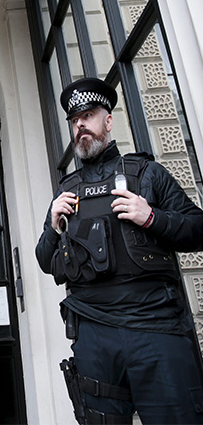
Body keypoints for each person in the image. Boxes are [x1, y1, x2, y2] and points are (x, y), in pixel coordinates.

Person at [35, 78, 203, 424]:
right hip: (93, 334)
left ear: (107, 122)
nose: (81, 124)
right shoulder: (67, 191)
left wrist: (152, 216)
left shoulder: (147, 175)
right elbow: (45, 262)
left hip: (155, 329)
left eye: (89, 115)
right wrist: (53, 226)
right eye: (74, 119)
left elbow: (198, 230)